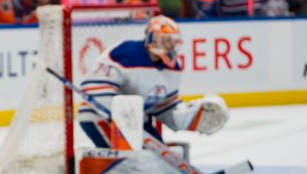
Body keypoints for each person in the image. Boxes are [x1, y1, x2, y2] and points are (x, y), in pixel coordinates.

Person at [77, 15, 228, 150]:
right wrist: (121, 115)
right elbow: (94, 87)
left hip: (137, 121)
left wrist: (192, 118)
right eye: (163, 39)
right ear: (150, 38)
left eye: (171, 40)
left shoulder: (173, 68)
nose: (168, 45)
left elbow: (164, 107)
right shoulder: (126, 52)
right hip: (98, 117)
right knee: (136, 163)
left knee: (160, 161)